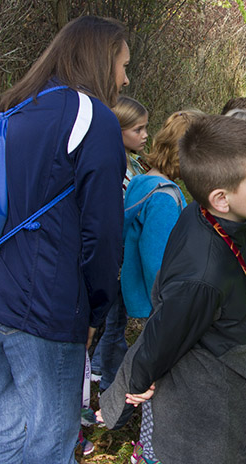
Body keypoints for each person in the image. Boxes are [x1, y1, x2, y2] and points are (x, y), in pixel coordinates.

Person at [0, 15, 129, 463]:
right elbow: (103, 232)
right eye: (123, 65)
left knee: (0, 418)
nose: (126, 78)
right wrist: (97, 309)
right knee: (50, 436)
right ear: (101, 63)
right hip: (42, 305)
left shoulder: (20, 105)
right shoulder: (94, 119)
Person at [99, 115, 246, 464]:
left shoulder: (209, 214)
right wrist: (136, 383)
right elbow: (165, 332)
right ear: (222, 198)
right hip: (211, 417)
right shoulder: (204, 275)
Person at [121, 109, 204, 319]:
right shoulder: (163, 198)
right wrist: (168, 308)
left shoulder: (144, 179)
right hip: (157, 304)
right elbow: (156, 262)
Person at [91, 96, 150, 391]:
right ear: (118, 131)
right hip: (115, 259)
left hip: (125, 258)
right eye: (138, 130)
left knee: (114, 322)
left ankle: (101, 370)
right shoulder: (115, 170)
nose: (145, 136)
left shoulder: (136, 164)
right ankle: (114, 385)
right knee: (113, 323)